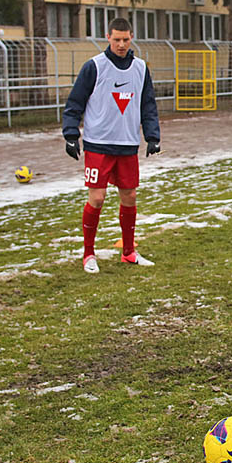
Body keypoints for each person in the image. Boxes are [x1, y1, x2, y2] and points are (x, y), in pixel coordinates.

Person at [62, 17, 160, 273]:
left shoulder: (140, 68)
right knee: (97, 197)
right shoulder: (94, 66)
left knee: (130, 196)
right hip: (98, 145)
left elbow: (147, 104)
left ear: (131, 38)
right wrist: (71, 134)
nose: (121, 44)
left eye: (126, 39)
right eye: (116, 39)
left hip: (127, 144)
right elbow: (75, 102)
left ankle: (128, 252)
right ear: (108, 37)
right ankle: (88, 254)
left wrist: (153, 136)